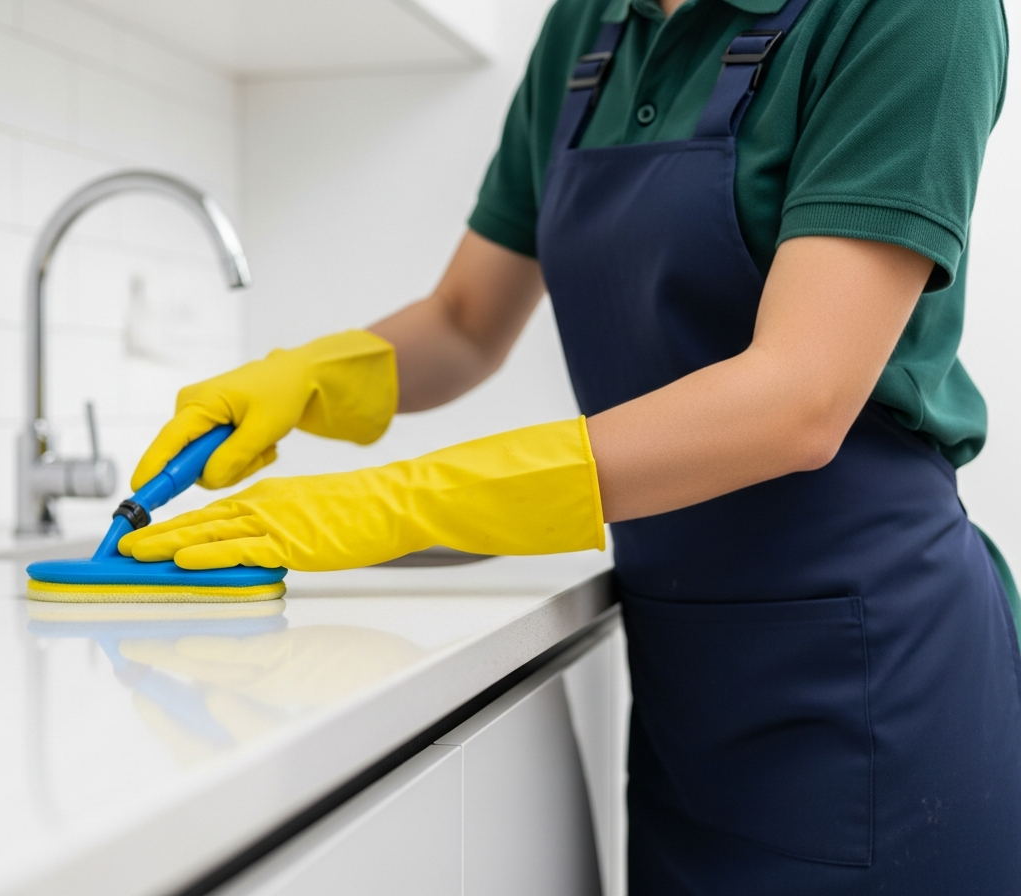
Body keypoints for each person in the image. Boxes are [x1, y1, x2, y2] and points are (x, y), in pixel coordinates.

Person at [120, 0, 1021, 890]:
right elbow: (467, 319)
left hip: (878, 693)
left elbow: (799, 397)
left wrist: (401, 501)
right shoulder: (587, 27)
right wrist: (307, 380)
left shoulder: (916, 15)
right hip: (685, 689)